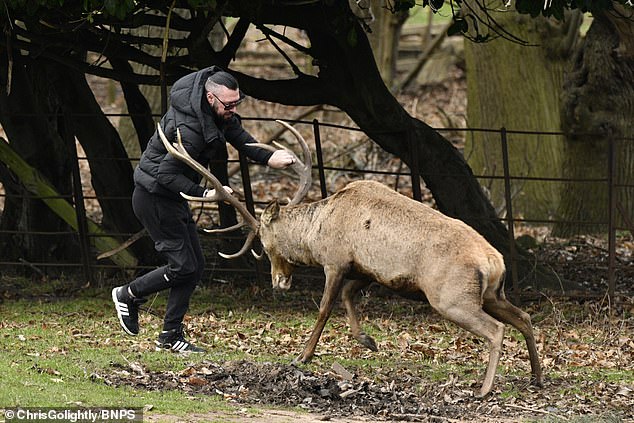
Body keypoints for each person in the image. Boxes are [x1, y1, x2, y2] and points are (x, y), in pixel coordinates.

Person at [112, 66, 295, 353]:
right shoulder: (191, 128)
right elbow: (165, 175)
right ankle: (128, 294)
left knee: (194, 267)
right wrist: (206, 193)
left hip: (171, 198)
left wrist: (270, 157)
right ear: (210, 98)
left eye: (237, 102)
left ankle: (170, 336)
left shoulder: (215, 113)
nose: (233, 109)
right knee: (183, 266)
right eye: (229, 104)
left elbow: (240, 136)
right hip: (154, 197)